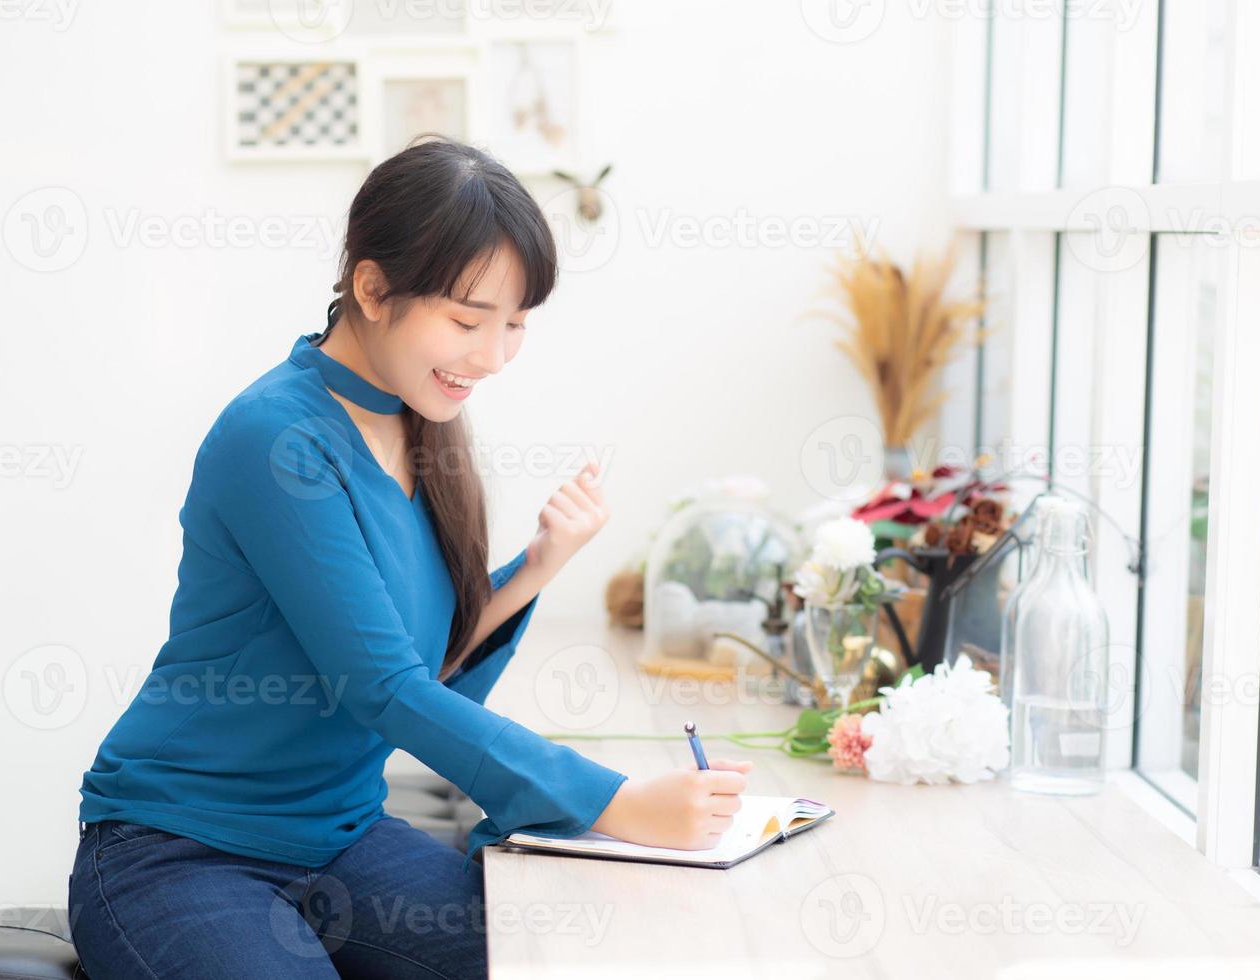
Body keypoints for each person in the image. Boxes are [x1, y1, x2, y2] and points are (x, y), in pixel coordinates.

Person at [66, 135, 753, 979]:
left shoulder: (419, 425)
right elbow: (384, 687)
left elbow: (425, 662)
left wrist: (537, 565)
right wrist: (618, 804)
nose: (492, 356)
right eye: (468, 321)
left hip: (341, 839)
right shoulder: (276, 438)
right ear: (372, 287)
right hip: (184, 852)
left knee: (567, 949)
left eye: (515, 325)